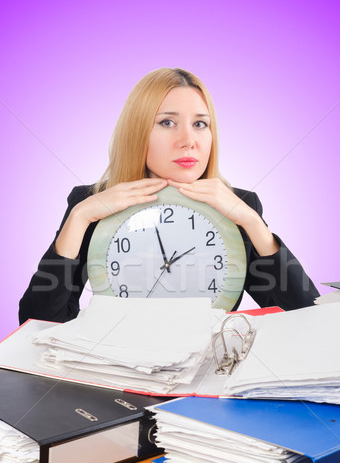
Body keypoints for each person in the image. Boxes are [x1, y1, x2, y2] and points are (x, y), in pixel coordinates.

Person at [19, 67, 319, 324]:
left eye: (200, 124)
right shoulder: (91, 202)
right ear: (137, 132)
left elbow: (305, 316)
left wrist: (253, 224)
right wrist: (80, 217)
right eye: (167, 122)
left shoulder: (240, 205)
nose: (188, 141)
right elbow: (39, 322)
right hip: (117, 363)